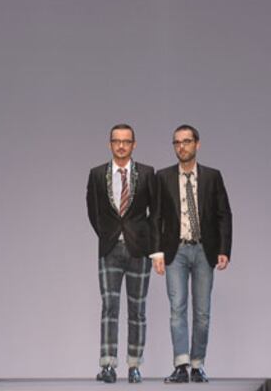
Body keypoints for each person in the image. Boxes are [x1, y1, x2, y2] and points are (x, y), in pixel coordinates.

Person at [152, 125, 232, 383]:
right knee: (177, 308)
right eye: (177, 142)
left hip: (203, 249)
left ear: (197, 144)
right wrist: (157, 253)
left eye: (186, 141)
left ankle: (198, 365)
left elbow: (224, 214)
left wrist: (224, 249)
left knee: (202, 311)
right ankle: (181, 365)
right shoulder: (163, 177)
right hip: (175, 250)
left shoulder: (212, 176)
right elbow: (156, 217)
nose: (181, 146)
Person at [86, 124, 157, 384]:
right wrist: (108, 234)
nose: (121, 145)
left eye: (126, 141)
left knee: (137, 309)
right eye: (116, 141)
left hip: (140, 249)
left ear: (134, 144)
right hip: (110, 249)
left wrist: (152, 245)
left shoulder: (147, 173)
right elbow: (92, 210)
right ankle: (108, 364)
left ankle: (134, 365)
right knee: (109, 307)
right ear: (110, 144)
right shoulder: (97, 174)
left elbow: (155, 213)